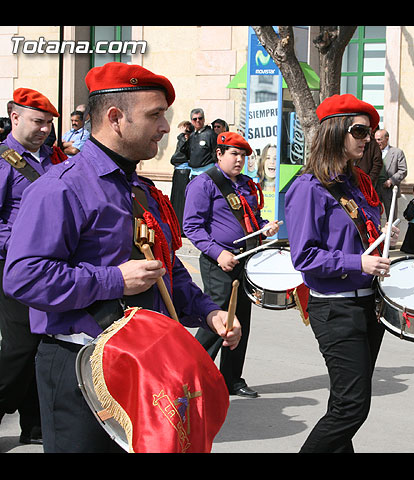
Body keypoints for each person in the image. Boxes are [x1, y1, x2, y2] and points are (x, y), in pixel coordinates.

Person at [3, 62, 240, 453]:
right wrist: (114, 280)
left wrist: (208, 312)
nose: (165, 127)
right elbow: (24, 277)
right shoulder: (61, 188)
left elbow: (164, 267)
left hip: (145, 364)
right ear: (116, 118)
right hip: (81, 365)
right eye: (155, 115)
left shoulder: (140, 189)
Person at [285, 93, 399, 453]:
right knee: (352, 407)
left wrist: (381, 236)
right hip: (336, 309)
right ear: (335, 132)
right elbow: (304, 257)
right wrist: (357, 263)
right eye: (360, 131)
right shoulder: (307, 188)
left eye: (370, 132)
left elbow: (356, 235)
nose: (367, 139)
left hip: (368, 305)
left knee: (343, 402)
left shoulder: (356, 182)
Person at [183, 131, 279, 398]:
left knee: (241, 322)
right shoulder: (204, 184)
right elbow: (192, 226)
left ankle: (232, 379)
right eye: (234, 154)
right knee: (217, 322)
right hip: (220, 262)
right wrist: (218, 253)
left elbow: (252, 219)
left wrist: (265, 227)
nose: (239, 160)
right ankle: (188, 377)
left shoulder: (246, 185)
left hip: (245, 260)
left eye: (243, 155)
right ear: (219, 154)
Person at [0, 88, 61, 444]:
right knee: (20, 348)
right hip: (14, 267)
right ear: (15, 118)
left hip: (51, 269)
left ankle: (34, 427)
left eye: (48, 123)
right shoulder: (5, 160)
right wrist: (19, 246)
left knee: (41, 346)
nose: (43, 129)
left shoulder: (55, 160)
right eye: (38, 121)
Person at [374, 128, 407, 222]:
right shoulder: (373, 153)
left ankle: (391, 236)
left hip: (389, 190)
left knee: (391, 218)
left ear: (387, 139)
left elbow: (403, 170)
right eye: (375, 139)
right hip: (375, 188)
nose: (377, 142)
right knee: (374, 215)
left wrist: (391, 181)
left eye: (379, 139)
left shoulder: (397, 152)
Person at [170, 120, 194, 232]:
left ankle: (179, 227)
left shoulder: (186, 139)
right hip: (181, 171)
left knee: (181, 201)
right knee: (178, 200)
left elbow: (180, 153)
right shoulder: (185, 139)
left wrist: (183, 136)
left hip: (184, 172)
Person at [186, 108, 217, 178]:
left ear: (204, 119)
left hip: (206, 172)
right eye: (195, 119)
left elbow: (216, 153)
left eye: (200, 118)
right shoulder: (192, 135)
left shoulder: (210, 134)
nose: (198, 121)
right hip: (193, 173)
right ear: (191, 121)